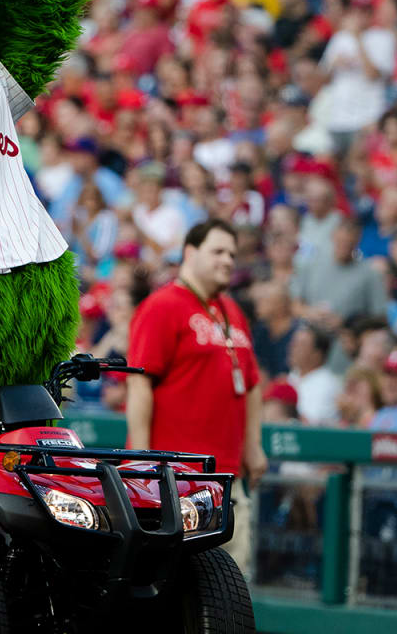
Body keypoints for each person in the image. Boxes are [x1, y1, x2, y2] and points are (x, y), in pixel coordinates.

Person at [127, 219, 265, 578]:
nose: (228, 260)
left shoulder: (233, 312)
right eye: (218, 251)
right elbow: (140, 384)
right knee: (175, 587)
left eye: (233, 254)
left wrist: (254, 445)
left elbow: (251, 384)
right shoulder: (163, 305)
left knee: (232, 589)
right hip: (174, 480)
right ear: (190, 252)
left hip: (228, 478)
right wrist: (140, 463)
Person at [286, 325, 342, 426]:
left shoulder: (327, 385)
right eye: (293, 343)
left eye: (300, 345)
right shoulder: (293, 375)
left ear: (317, 354)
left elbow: (310, 424)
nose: (292, 348)